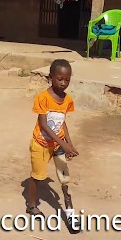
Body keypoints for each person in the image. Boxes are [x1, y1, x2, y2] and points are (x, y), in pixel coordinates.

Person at [26, 58, 79, 217]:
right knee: (38, 177)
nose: (64, 83)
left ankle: (68, 204)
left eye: (67, 79)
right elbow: (44, 125)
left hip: (58, 145)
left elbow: (62, 122)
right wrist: (63, 144)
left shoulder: (67, 100)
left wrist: (69, 143)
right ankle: (31, 205)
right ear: (51, 77)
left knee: (64, 175)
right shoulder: (43, 98)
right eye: (60, 79)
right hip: (41, 144)